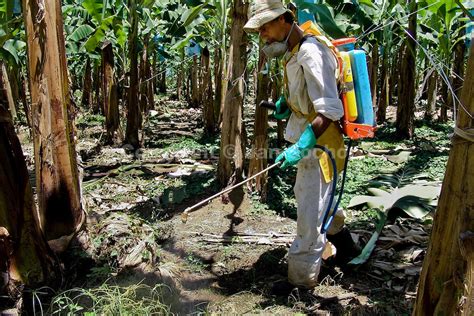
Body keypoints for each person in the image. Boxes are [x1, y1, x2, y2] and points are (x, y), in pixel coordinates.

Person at [244, 0, 360, 289]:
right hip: (313, 145)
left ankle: (300, 283)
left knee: (310, 214)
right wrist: (288, 104)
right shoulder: (294, 51)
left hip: (321, 147)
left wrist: (303, 144)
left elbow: (329, 109)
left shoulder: (311, 51)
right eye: (259, 30)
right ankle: (347, 250)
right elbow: (308, 94)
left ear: (285, 19)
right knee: (322, 201)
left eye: (266, 27)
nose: (263, 35)